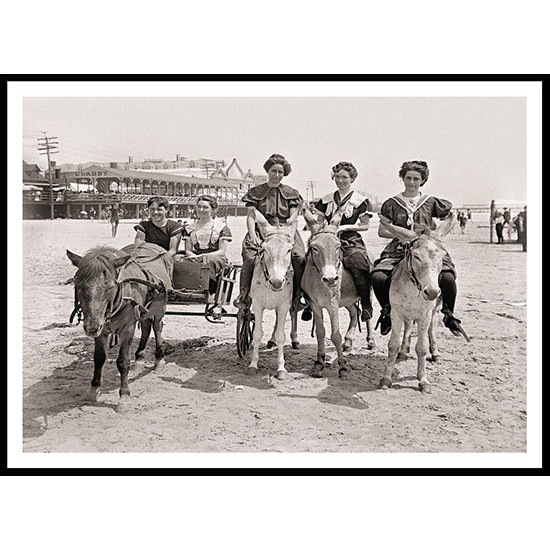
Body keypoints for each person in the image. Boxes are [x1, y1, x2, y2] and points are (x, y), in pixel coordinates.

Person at [371, 160, 464, 337]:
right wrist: (403, 235)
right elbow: (382, 230)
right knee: (378, 277)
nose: (412, 182)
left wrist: (438, 235)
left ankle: (449, 315)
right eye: (408, 178)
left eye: (416, 179)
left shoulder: (431, 202)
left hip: (427, 249)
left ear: (423, 180)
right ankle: (386, 312)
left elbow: (452, 217)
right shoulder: (392, 203)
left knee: (448, 278)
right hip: (398, 248)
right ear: (402, 179)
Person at [233, 153, 305, 309]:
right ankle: (244, 295)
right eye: (273, 171)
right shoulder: (256, 192)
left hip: (286, 231)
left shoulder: (291, 193)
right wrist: (252, 235)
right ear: (268, 171)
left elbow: (293, 219)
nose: (277, 175)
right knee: (250, 257)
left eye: (280, 172)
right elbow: (251, 216)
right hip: (262, 229)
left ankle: (298, 295)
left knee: (299, 257)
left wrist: (290, 237)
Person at [308, 161, 374, 322]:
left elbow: (365, 225)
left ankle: (365, 303)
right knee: (306, 261)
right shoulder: (326, 200)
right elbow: (320, 221)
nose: (340, 180)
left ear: (352, 179)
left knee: (359, 263)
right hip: (326, 238)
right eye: (337, 177)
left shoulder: (360, 201)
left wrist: (345, 227)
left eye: (344, 177)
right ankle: (306, 300)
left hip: (349, 239)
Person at [177, 195, 232, 294]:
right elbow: (188, 250)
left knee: (208, 261)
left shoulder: (221, 227)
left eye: (205, 207)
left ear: (213, 209)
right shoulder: (189, 228)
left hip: (215, 257)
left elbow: (222, 251)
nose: (201, 210)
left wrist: (204, 257)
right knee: (176, 258)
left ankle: (207, 287)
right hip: (195, 256)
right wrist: (195, 257)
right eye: (199, 207)